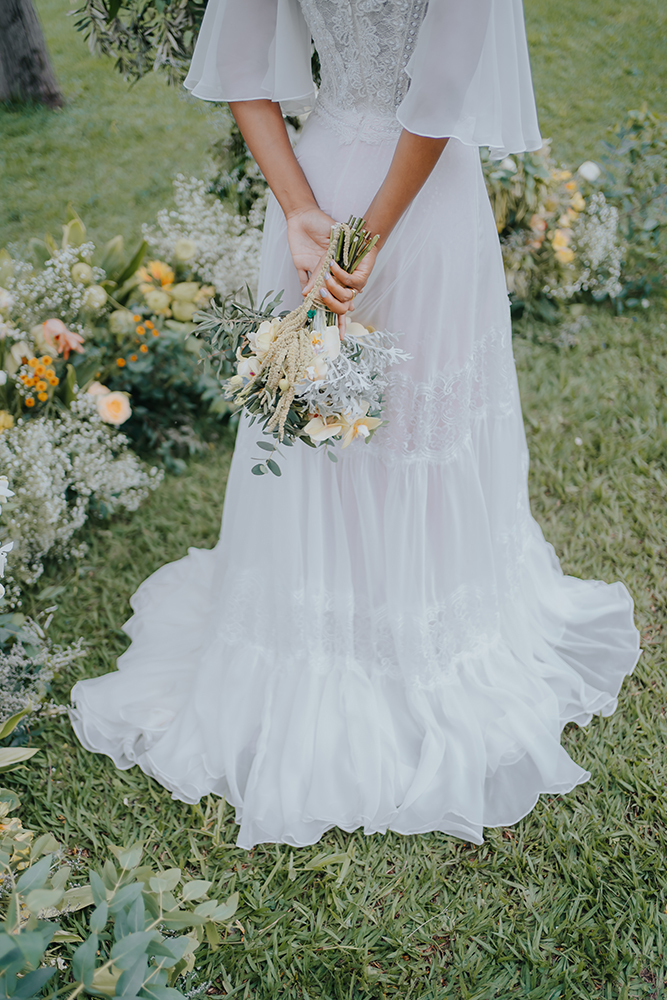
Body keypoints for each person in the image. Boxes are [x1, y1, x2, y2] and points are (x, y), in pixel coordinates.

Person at [70, 0, 640, 850]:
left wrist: (306, 215)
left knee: (356, 424)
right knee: (380, 424)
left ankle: (352, 625)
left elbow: (242, 71)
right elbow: (438, 93)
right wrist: (355, 238)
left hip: (327, 176)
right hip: (417, 196)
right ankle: (400, 628)